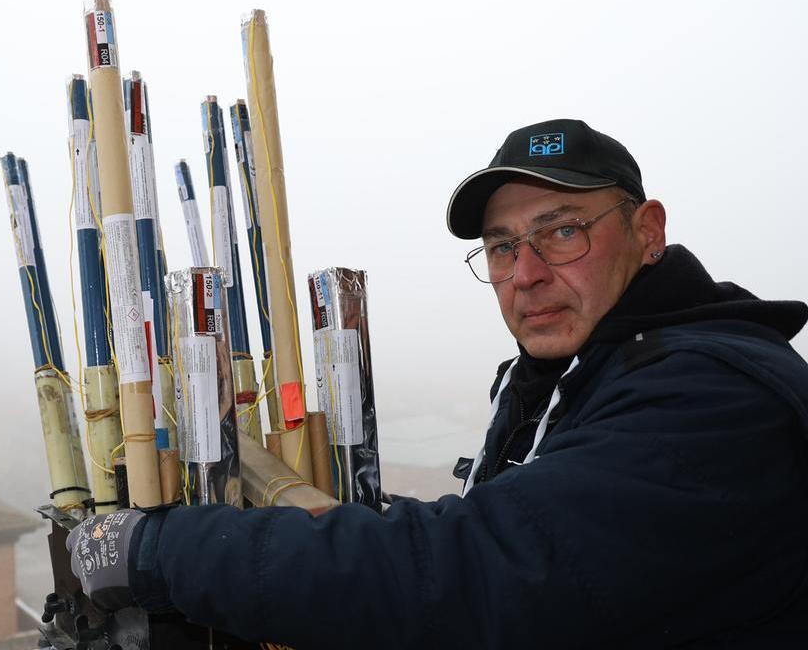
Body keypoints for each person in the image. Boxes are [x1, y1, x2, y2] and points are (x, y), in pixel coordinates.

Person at [67, 119, 808, 648]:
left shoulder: (714, 400)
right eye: (502, 246)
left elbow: (483, 570)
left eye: (562, 231)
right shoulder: (553, 380)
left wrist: (160, 552)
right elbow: (528, 529)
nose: (527, 274)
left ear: (647, 232)